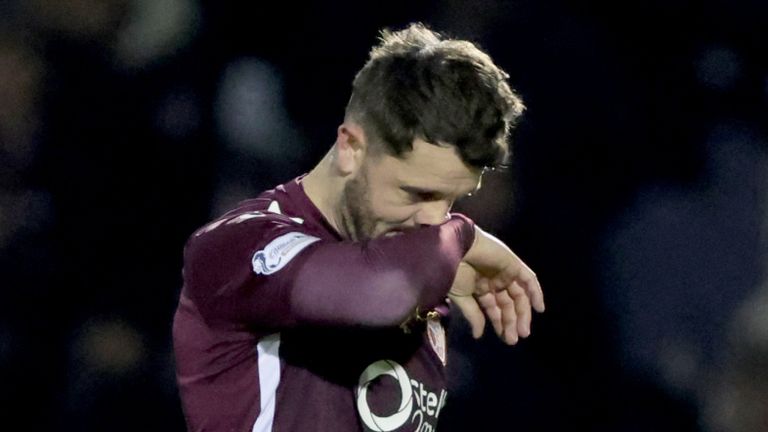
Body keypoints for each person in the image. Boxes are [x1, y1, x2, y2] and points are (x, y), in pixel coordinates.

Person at [173, 22, 545, 432]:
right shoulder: (236, 245)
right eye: (416, 192)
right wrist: (464, 236)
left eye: (454, 199)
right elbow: (374, 294)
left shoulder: (424, 270)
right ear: (351, 147)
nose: (434, 219)